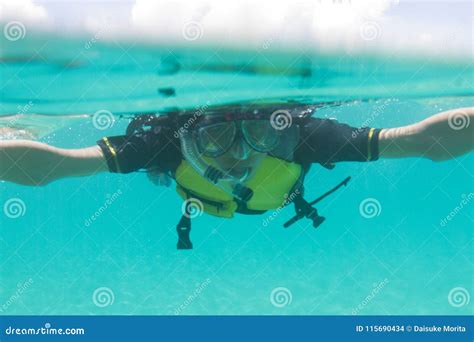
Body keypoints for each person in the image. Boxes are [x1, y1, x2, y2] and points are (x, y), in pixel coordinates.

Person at [1, 100, 473, 248]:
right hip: (186, 181)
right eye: (214, 139)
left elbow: (416, 140)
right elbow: (54, 166)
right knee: (157, 166)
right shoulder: (163, 140)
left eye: (261, 136)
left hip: (270, 194)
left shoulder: (307, 134)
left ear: (281, 127)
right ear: (188, 134)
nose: (240, 154)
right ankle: (161, 172)